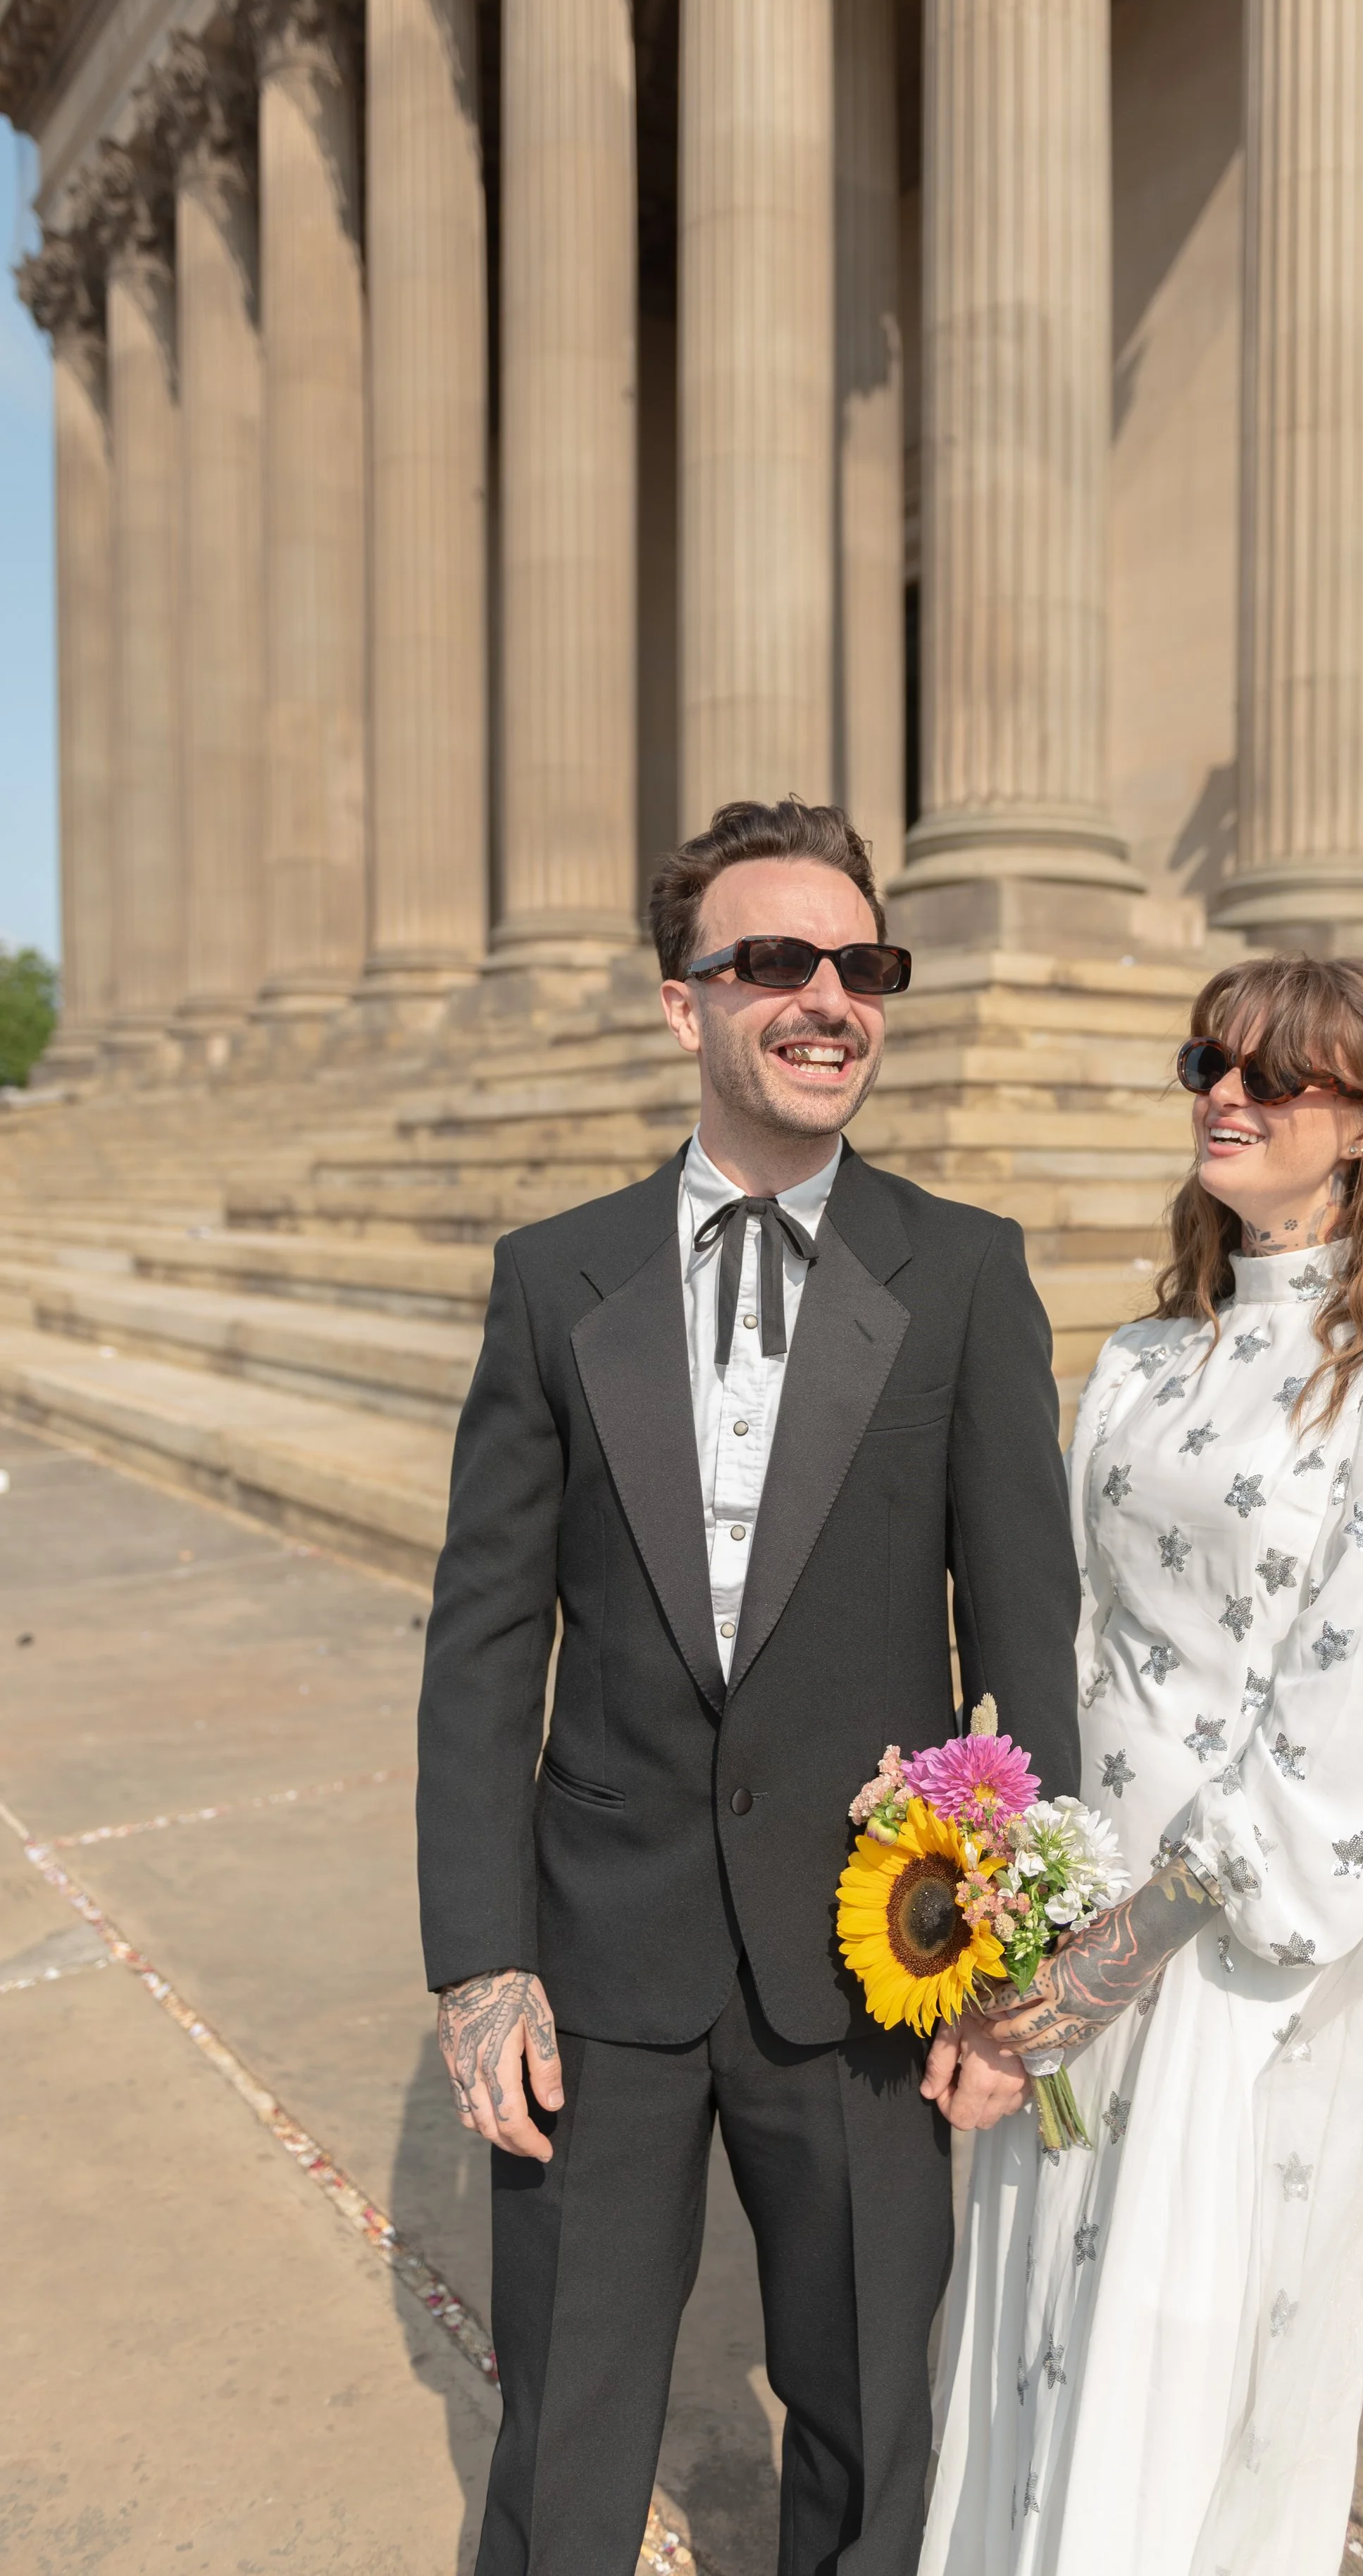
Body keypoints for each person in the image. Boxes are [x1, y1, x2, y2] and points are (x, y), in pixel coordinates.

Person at [416, 796, 1082, 2576]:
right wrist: (481, 1960)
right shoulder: (554, 1279)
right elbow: (484, 1639)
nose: (826, 996)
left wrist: (1007, 1977)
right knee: (561, 2435)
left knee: (871, 2433)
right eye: (772, 959)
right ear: (680, 1002)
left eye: (860, 964)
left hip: (872, 1966)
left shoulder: (962, 1274)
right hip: (600, 1966)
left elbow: (1023, 1647)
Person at [920, 953, 1363, 2576]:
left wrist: (1123, 1954)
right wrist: (1006, 1895)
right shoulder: (1141, 1354)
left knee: (1175, 2349)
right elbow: (1061, 1643)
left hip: (1223, 1953)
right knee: (1033, 2309)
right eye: (1209, 1058)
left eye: (1280, 1076)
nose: (1226, 1094)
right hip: (1073, 1904)